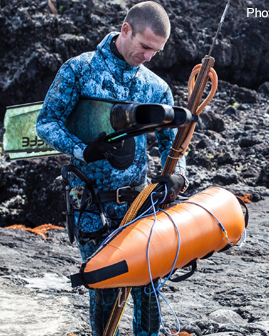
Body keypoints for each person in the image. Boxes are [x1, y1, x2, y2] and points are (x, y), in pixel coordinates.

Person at [36, 2, 187, 336]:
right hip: (92, 204)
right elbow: (45, 123)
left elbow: (171, 145)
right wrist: (82, 150)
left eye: (156, 51)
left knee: (150, 287)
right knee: (105, 289)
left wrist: (176, 176)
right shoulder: (79, 70)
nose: (149, 56)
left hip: (141, 204)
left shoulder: (156, 86)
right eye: (145, 46)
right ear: (126, 29)